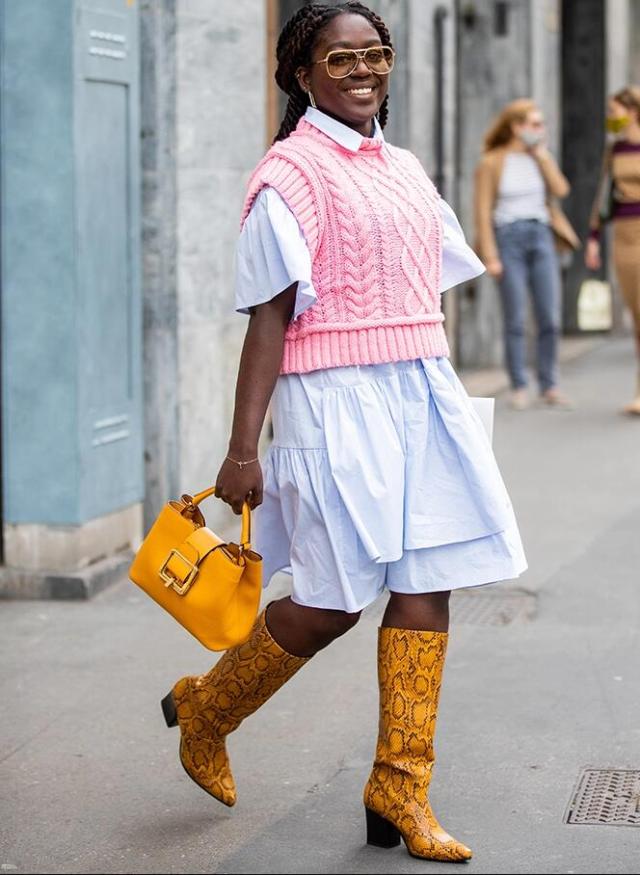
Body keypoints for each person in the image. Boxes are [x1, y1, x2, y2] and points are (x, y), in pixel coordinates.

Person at [160, 1, 526, 862]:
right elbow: (269, 317)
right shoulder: (288, 175)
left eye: (375, 54)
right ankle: (206, 712)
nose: (362, 70)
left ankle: (400, 786)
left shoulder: (402, 167)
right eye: (339, 59)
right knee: (328, 603)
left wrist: (429, 386)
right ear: (301, 74)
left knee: (427, 581)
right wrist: (243, 448)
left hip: (418, 391)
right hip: (332, 401)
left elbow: (422, 284)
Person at [474, 99, 579, 410]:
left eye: (541, 124)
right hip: (509, 239)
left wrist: (543, 155)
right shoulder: (492, 161)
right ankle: (519, 384)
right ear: (515, 127)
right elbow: (482, 211)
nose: (540, 129)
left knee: (549, 316)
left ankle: (549, 384)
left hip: (541, 235)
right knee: (516, 317)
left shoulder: (539, 158)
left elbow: (561, 190)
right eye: (534, 124)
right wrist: (490, 256)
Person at [585, 86, 640, 416]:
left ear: (633, 111)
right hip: (623, 236)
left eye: (614, 111)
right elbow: (604, 191)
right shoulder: (614, 148)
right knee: (636, 315)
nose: (611, 119)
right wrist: (593, 236)